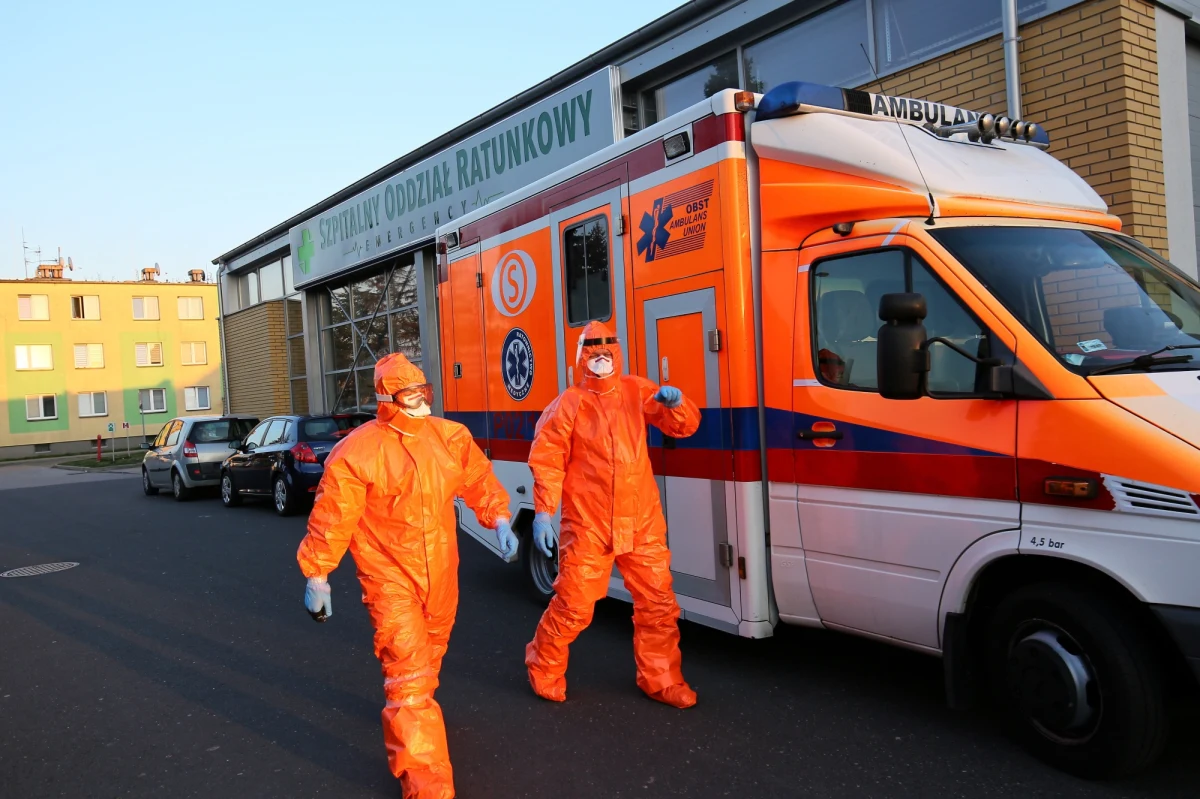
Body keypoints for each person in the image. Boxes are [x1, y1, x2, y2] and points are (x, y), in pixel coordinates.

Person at [297, 353, 516, 799]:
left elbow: (478, 480)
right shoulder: (358, 452)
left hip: (441, 572)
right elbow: (333, 517)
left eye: (423, 391)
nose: (420, 400)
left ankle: (415, 712)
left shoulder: (449, 437)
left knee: (430, 655)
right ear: (387, 399)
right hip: (389, 576)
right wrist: (317, 573)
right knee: (409, 672)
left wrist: (500, 519)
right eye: (410, 393)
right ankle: (425, 779)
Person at [524, 320, 701, 708]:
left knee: (657, 604)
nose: (600, 358)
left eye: (607, 351)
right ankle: (543, 666)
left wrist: (677, 405)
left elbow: (683, 427)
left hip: (641, 522)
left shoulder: (637, 390)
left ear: (617, 353)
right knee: (573, 605)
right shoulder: (568, 404)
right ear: (581, 356)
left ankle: (662, 679)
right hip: (588, 523)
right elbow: (548, 461)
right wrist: (543, 513)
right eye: (593, 351)